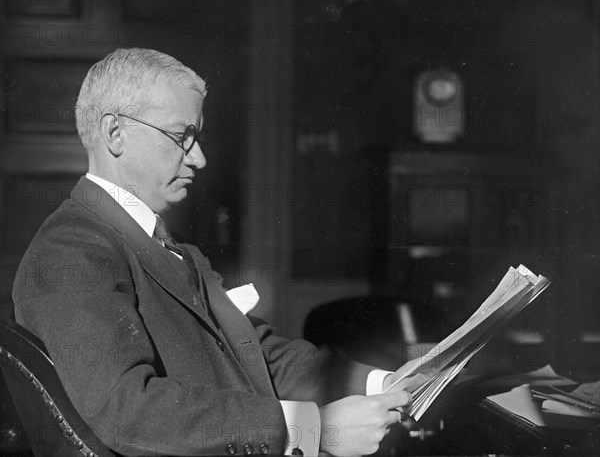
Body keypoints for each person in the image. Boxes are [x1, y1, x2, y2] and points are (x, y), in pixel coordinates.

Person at [12, 48, 411, 456]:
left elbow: (256, 354)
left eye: (196, 138)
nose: (199, 157)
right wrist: (316, 430)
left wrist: (386, 383)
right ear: (115, 133)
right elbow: (128, 412)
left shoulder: (157, 242)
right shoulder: (72, 249)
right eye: (181, 136)